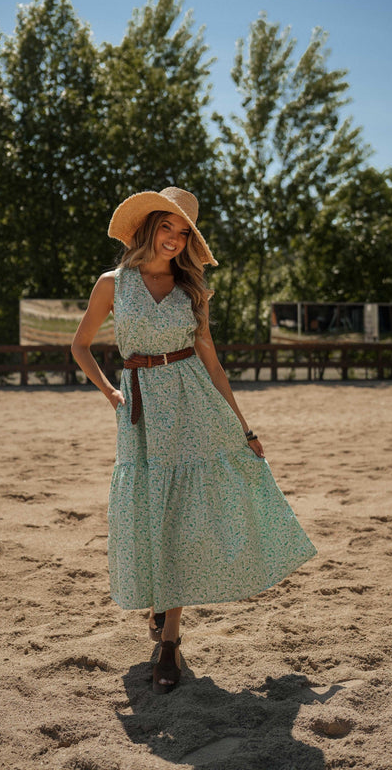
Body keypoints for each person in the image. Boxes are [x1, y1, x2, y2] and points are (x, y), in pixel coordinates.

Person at [72, 187, 316, 694]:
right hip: (141, 411)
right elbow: (81, 345)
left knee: (182, 517)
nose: (175, 239)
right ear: (148, 227)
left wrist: (244, 428)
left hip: (192, 405)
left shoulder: (190, 290)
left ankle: (170, 642)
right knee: (149, 511)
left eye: (184, 233)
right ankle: (160, 603)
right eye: (168, 227)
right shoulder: (113, 284)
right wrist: (111, 392)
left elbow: (212, 363)